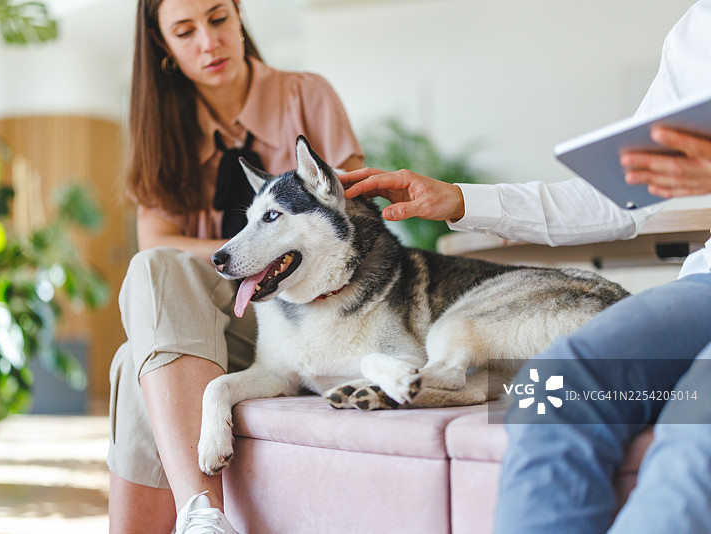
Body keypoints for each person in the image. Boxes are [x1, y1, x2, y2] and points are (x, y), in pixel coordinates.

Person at [341, 1, 711, 532]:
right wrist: (461, 200)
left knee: (697, 420)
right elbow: (620, 193)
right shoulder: (698, 30)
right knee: (551, 384)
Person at [107, 1, 363, 533]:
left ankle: (200, 515)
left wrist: (269, 251)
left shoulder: (305, 94)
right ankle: (204, 517)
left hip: (297, 317)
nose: (209, 41)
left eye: (218, 18)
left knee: (138, 362)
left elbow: (353, 217)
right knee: (157, 266)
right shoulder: (162, 130)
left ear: (240, 14)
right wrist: (245, 252)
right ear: (164, 47)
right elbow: (154, 244)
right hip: (205, 321)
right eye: (185, 31)